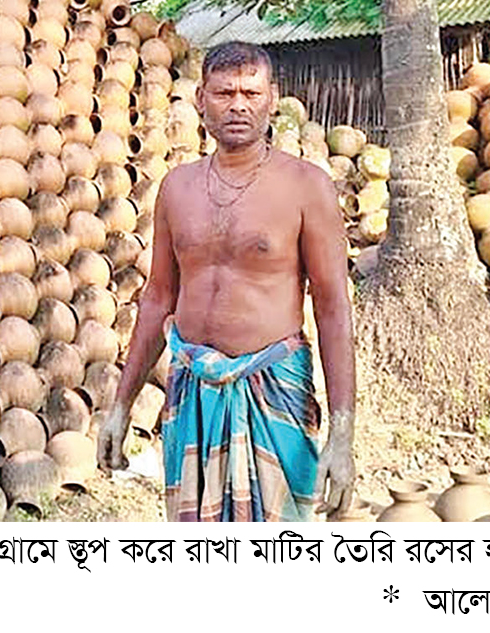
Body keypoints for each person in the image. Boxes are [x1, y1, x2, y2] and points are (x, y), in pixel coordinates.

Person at [96, 41, 356, 521]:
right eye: (224, 93)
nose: (238, 105)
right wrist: (120, 406)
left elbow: (333, 307)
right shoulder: (177, 187)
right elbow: (157, 300)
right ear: (200, 100)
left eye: (251, 93)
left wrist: (343, 434)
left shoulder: (305, 186)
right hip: (193, 391)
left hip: (273, 390)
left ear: (272, 98)